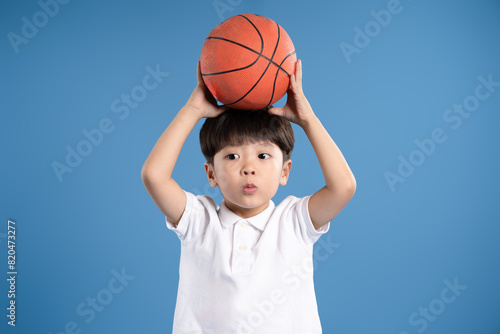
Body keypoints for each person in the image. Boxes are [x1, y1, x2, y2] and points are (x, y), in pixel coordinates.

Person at [141, 59, 356, 333]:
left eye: (263, 155)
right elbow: (154, 176)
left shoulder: (294, 222)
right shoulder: (199, 222)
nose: (248, 168)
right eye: (232, 156)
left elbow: (343, 187)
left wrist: (308, 120)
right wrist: (193, 110)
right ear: (211, 175)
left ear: (285, 171)